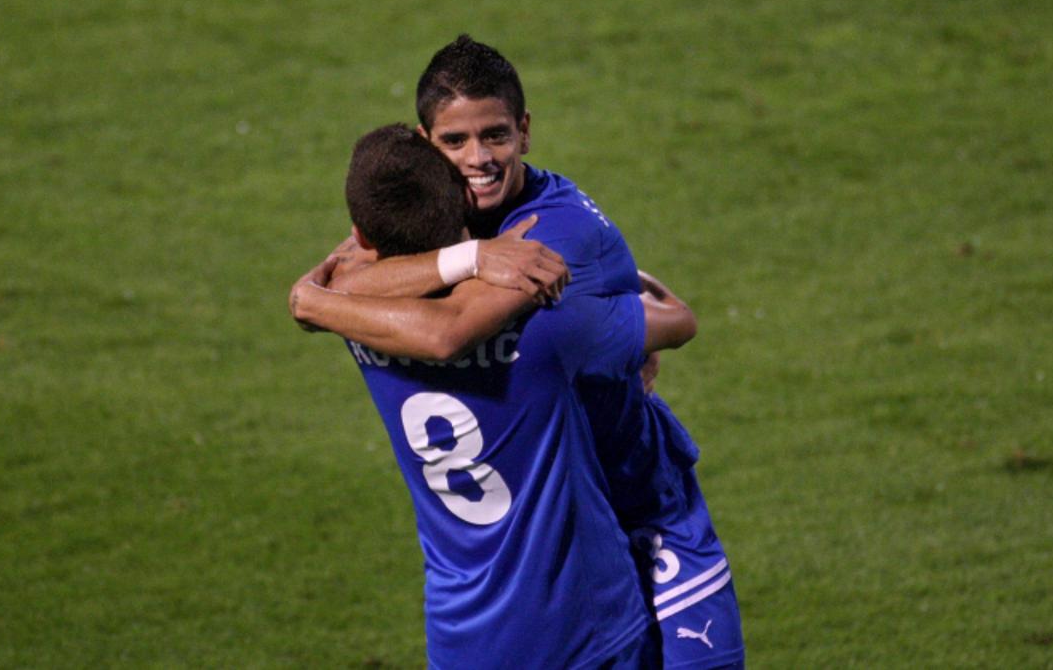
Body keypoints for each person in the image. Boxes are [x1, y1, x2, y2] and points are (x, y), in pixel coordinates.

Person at [294, 36, 745, 669]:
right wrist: (471, 257)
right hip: (567, 531)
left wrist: (312, 302)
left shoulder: (552, 232)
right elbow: (359, 275)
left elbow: (400, 303)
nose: (478, 159)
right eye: (455, 142)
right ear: (427, 145)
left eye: (495, 136)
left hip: (647, 515)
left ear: (525, 132)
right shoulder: (426, 223)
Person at [291, 124, 655, 668]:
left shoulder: (351, 313)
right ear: (464, 211)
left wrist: (306, 299)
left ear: (362, 236)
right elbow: (660, 330)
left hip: (463, 634)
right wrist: (481, 255)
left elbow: (340, 273)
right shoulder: (538, 319)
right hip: (584, 626)